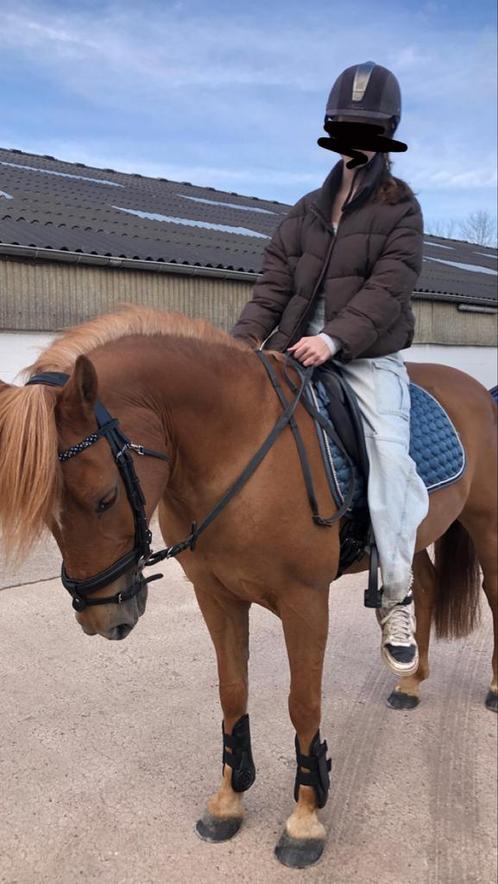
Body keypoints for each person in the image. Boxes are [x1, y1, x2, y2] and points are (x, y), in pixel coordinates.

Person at [231, 61, 430, 678]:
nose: (357, 139)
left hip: (366, 355)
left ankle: (396, 596)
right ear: (332, 128)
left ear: (387, 133)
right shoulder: (304, 212)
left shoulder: (403, 209)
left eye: (368, 129)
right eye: (347, 126)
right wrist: (239, 348)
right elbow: (271, 287)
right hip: (290, 348)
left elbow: (390, 287)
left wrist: (336, 338)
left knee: (392, 459)